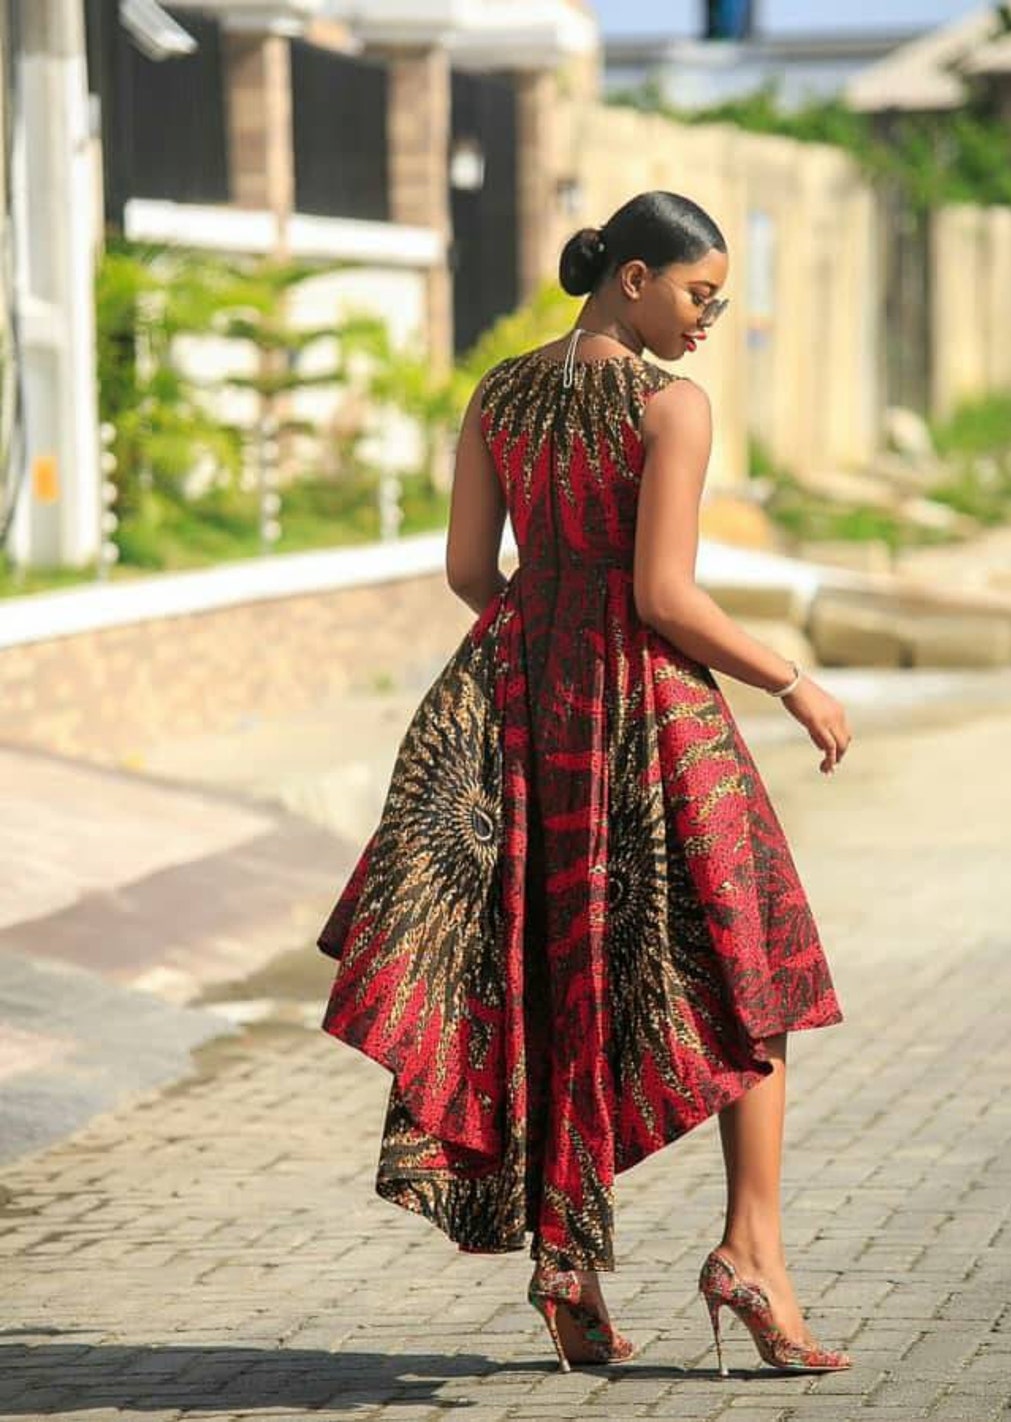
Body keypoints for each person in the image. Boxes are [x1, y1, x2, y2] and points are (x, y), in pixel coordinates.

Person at [316, 190, 854, 1377]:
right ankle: (752, 1254)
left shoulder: (499, 393)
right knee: (750, 966)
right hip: (653, 714)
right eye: (699, 294)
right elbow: (665, 597)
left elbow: (471, 569)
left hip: (523, 704)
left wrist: (543, 637)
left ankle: (566, 1263)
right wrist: (792, 681)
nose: (707, 320)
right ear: (633, 278)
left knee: (553, 973)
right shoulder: (671, 407)